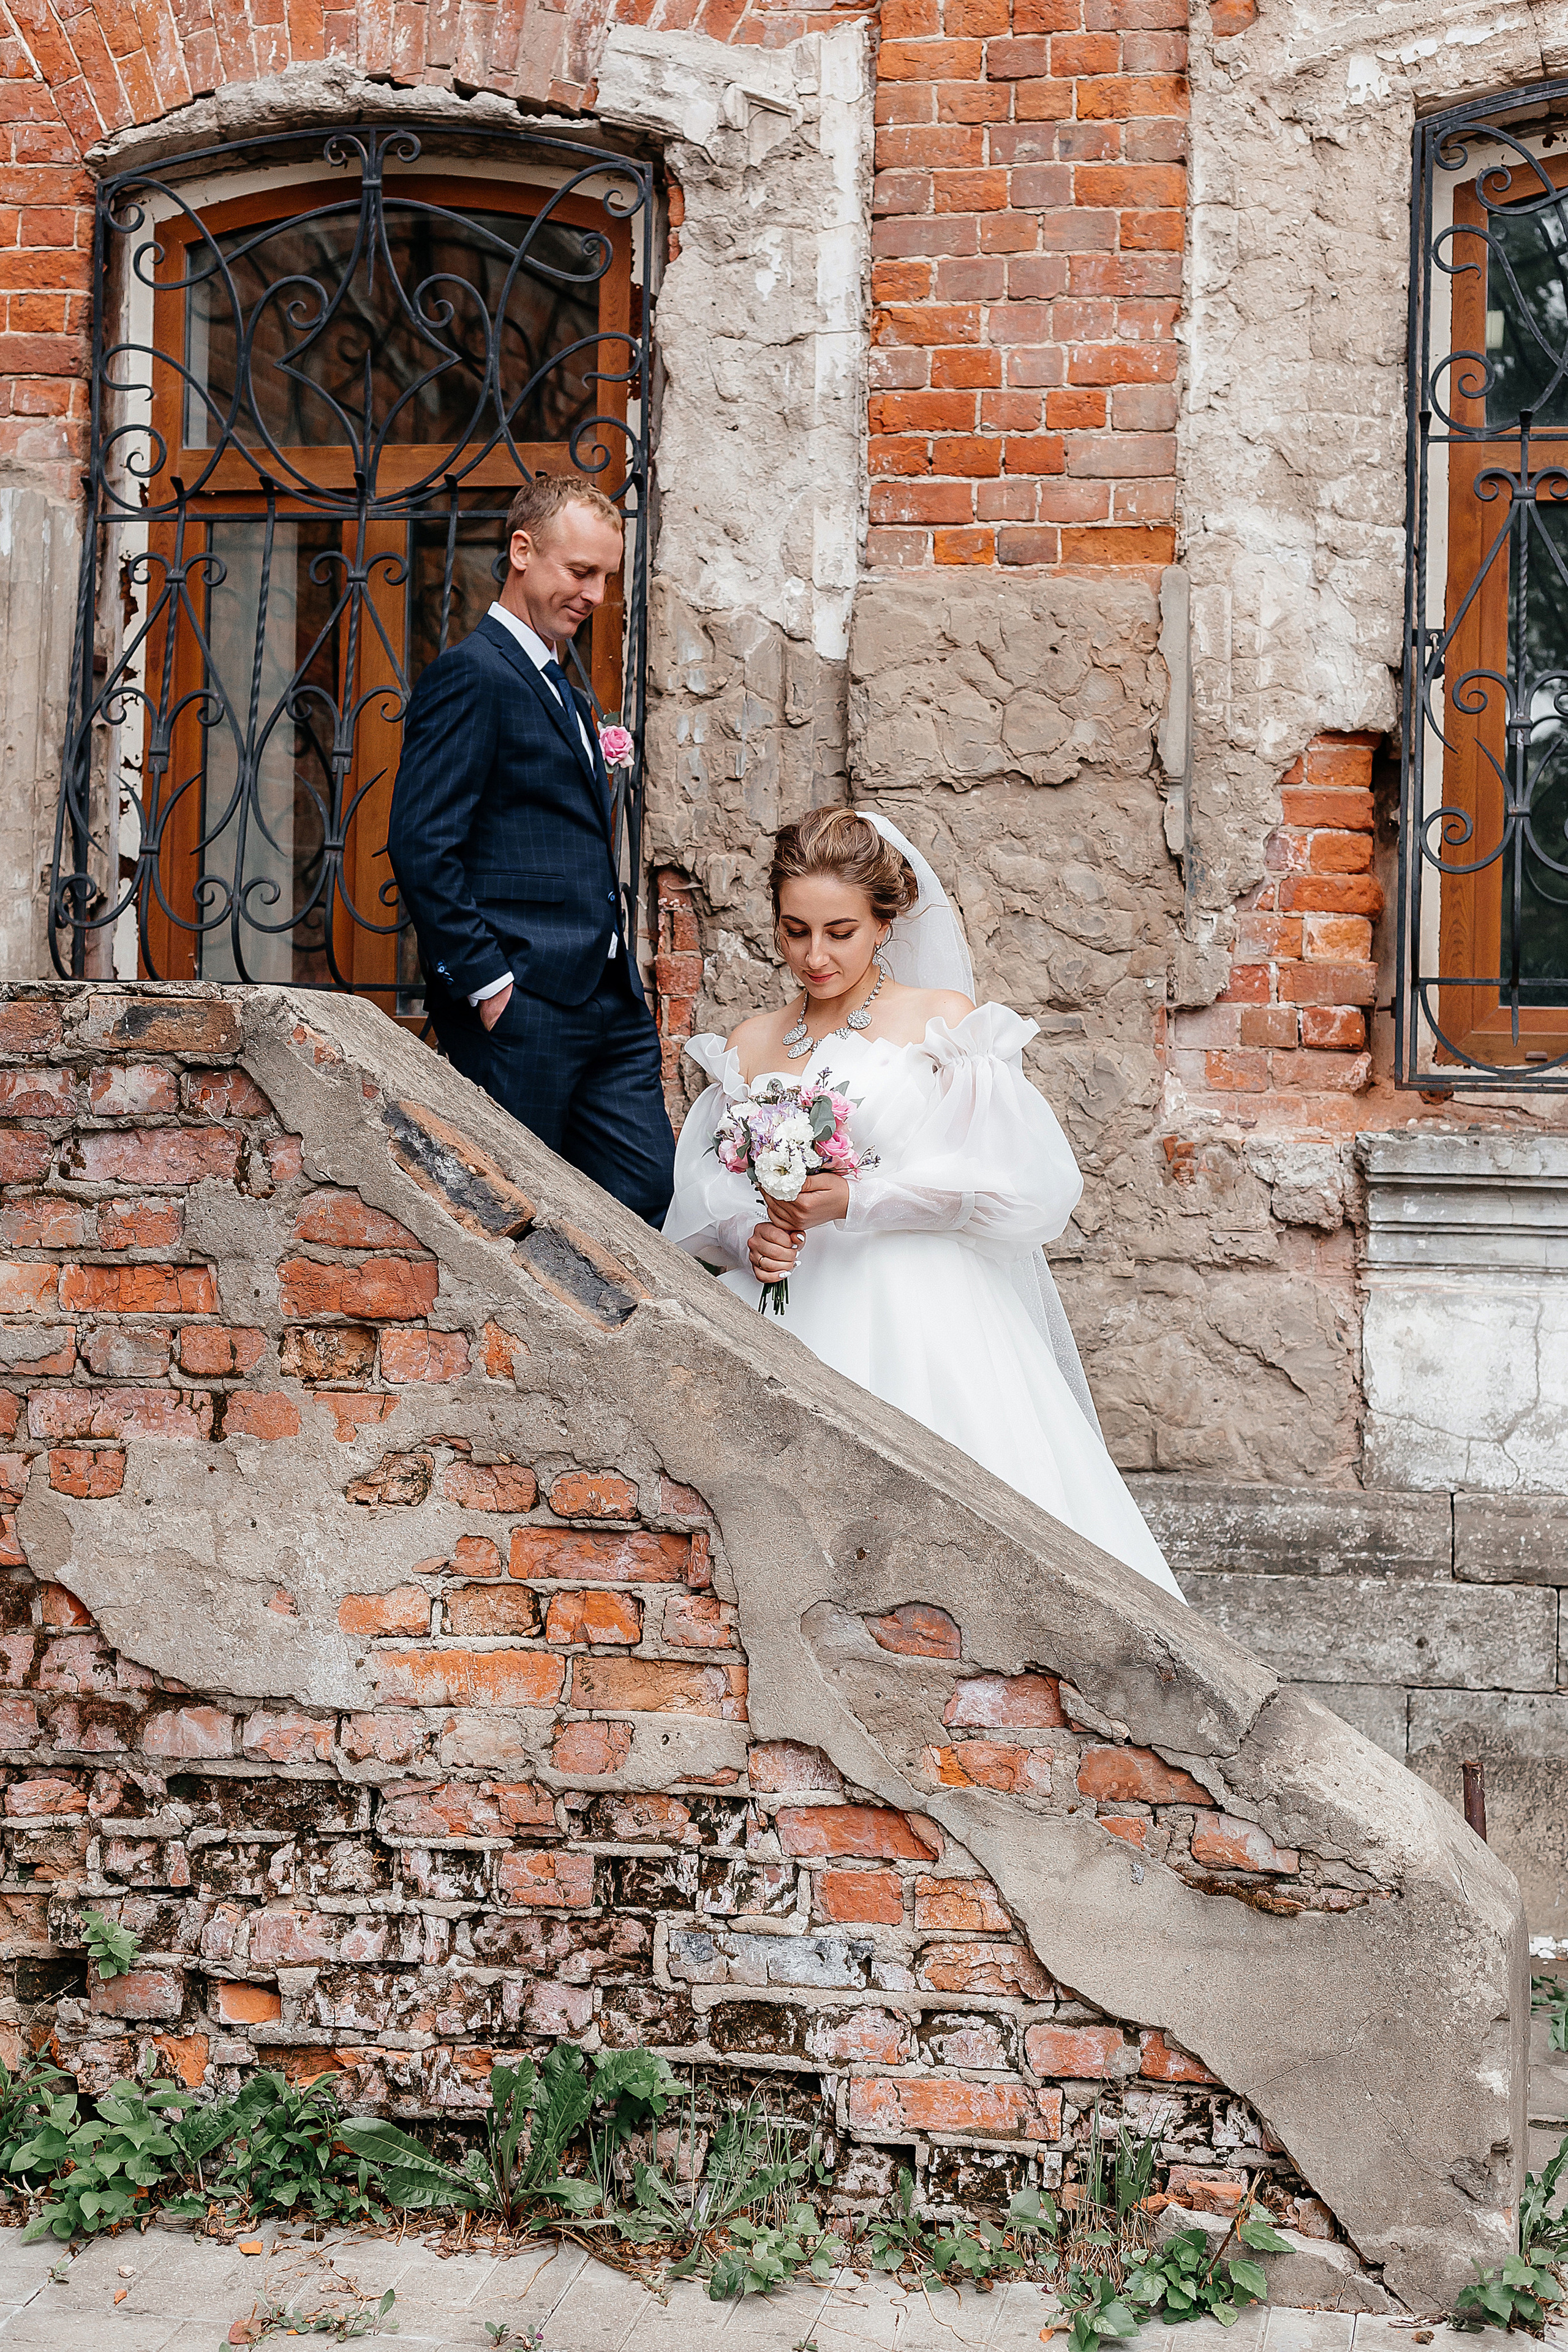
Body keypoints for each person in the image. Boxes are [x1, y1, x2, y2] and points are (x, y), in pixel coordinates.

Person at [663, 808, 1183, 1600]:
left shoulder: (944, 1024)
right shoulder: (748, 1042)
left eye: (840, 931)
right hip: (781, 1309)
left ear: (884, 920)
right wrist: (747, 1234)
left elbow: (1020, 1188)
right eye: (795, 931)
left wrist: (859, 1200)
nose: (815, 955)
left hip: (924, 1311)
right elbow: (702, 1198)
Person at [387, 475, 674, 1226]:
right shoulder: (472, 676)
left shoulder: (566, 689)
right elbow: (423, 845)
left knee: (644, 1195)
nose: (596, 595)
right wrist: (489, 988)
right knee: (519, 1217)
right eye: (581, 572)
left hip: (609, 998)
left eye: (606, 577)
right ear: (522, 551)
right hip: (525, 1005)